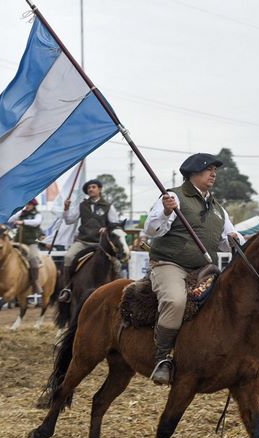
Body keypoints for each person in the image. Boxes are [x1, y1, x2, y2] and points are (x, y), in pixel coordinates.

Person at [143, 153, 245, 385]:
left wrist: (234, 239)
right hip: (170, 264)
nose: (214, 174)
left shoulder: (218, 208)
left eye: (215, 171)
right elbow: (151, 229)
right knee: (176, 301)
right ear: (192, 173)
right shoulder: (172, 197)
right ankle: (162, 358)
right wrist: (167, 211)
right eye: (209, 169)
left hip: (203, 270)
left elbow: (226, 238)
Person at [58, 179, 120, 302]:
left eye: (93, 187)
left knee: (117, 263)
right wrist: (66, 209)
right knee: (68, 257)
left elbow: (116, 225)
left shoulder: (108, 206)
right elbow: (69, 220)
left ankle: (118, 289)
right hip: (83, 241)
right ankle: (67, 289)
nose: (90, 189)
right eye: (88, 188)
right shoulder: (82, 205)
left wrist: (107, 228)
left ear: (100, 189)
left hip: (101, 244)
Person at [8, 199, 44, 294]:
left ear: (33, 205)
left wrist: (23, 222)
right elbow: (10, 219)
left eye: (29, 204)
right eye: (26, 204)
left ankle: (35, 282)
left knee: (32, 258)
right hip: (17, 241)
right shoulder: (21, 213)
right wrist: (19, 212)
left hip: (31, 242)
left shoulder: (37, 214)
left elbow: (36, 222)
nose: (27, 206)